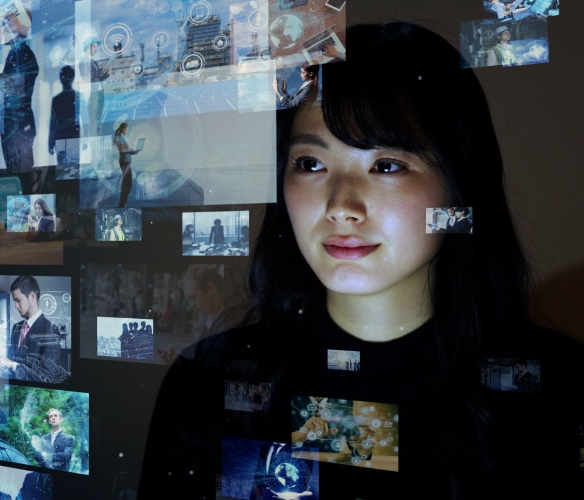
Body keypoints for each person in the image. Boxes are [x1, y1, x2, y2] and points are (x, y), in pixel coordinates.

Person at [139, 22, 584, 499]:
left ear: (459, 187)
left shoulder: (559, 393)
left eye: (386, 166)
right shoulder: (209, 384)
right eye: (311, 164)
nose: (340, 205)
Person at [0, 276, 67, 383]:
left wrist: (13, 365)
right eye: (14, 301)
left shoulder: (50, 330)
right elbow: (11, 361)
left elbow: (47, 377)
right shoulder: (16, 328)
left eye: (18, 300)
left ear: (32, 297)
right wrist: (2, 365)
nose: (16, 306)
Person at [1, 8, 39, 172]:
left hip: (17, 126)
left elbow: (15, 92)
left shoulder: (21, 54)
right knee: (18, 172)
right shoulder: (17, 53)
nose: (4, 28)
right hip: (15, 126)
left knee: (21, 173)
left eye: (8, 22)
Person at [79, 36, 111, 137]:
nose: (96, 49)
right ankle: (93, 142)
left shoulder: (93, 62)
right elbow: (88, 79)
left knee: (98, 120)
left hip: (99, 92)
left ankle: (98, 138)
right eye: (94, 47)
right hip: (92, 95)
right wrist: (99, 71)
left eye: (96, 47)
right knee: (94, 121)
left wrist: (106, 74)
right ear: (88, 48)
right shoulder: (83, 61)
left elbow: (97, 79)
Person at [48, 65, 80, 156]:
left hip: (63, 137)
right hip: (71, 137)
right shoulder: (77, 96)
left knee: (63, 167)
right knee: (72, 167)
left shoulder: (56, 99)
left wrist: (50, 143)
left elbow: (52, 123)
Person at [113, 122, 138, 208]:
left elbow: (125, 149)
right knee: (127, 184)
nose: (128, 130)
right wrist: (130, 148)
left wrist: (134, 151)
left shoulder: (123, 137)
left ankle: (122, 203)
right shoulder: (120, 137)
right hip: (124, 162)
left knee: (127, 183)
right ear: (124, 129)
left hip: (126, 161)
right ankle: (122, 203)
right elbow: (121, 149)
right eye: (127, 129)